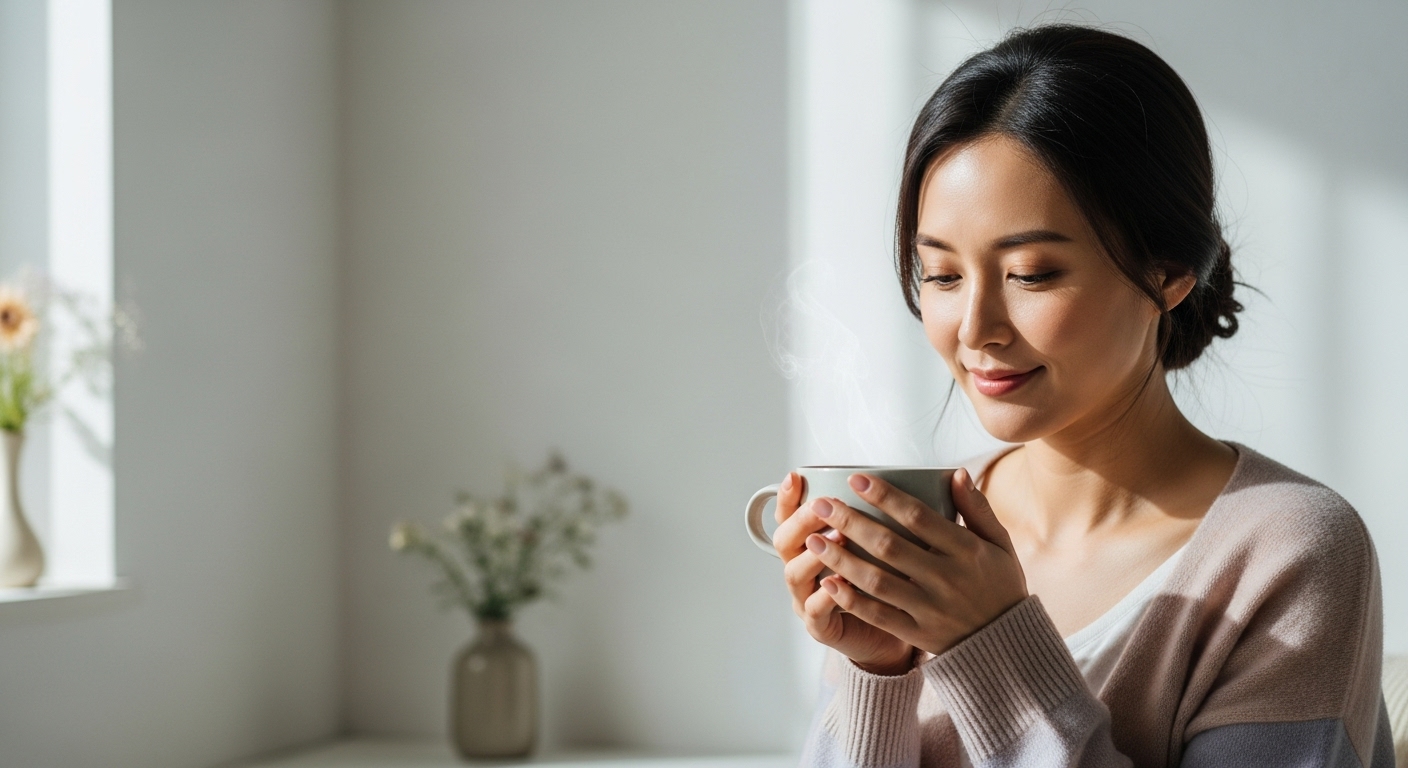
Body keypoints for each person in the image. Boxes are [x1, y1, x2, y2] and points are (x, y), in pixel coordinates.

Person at [773, 24, 1394, 768]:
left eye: (1032, 273)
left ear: (1168, 273)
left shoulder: (1289, 554)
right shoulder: (936, 543)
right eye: (940, 275)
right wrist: (874, 674)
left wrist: (991, 643)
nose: (976, 329)